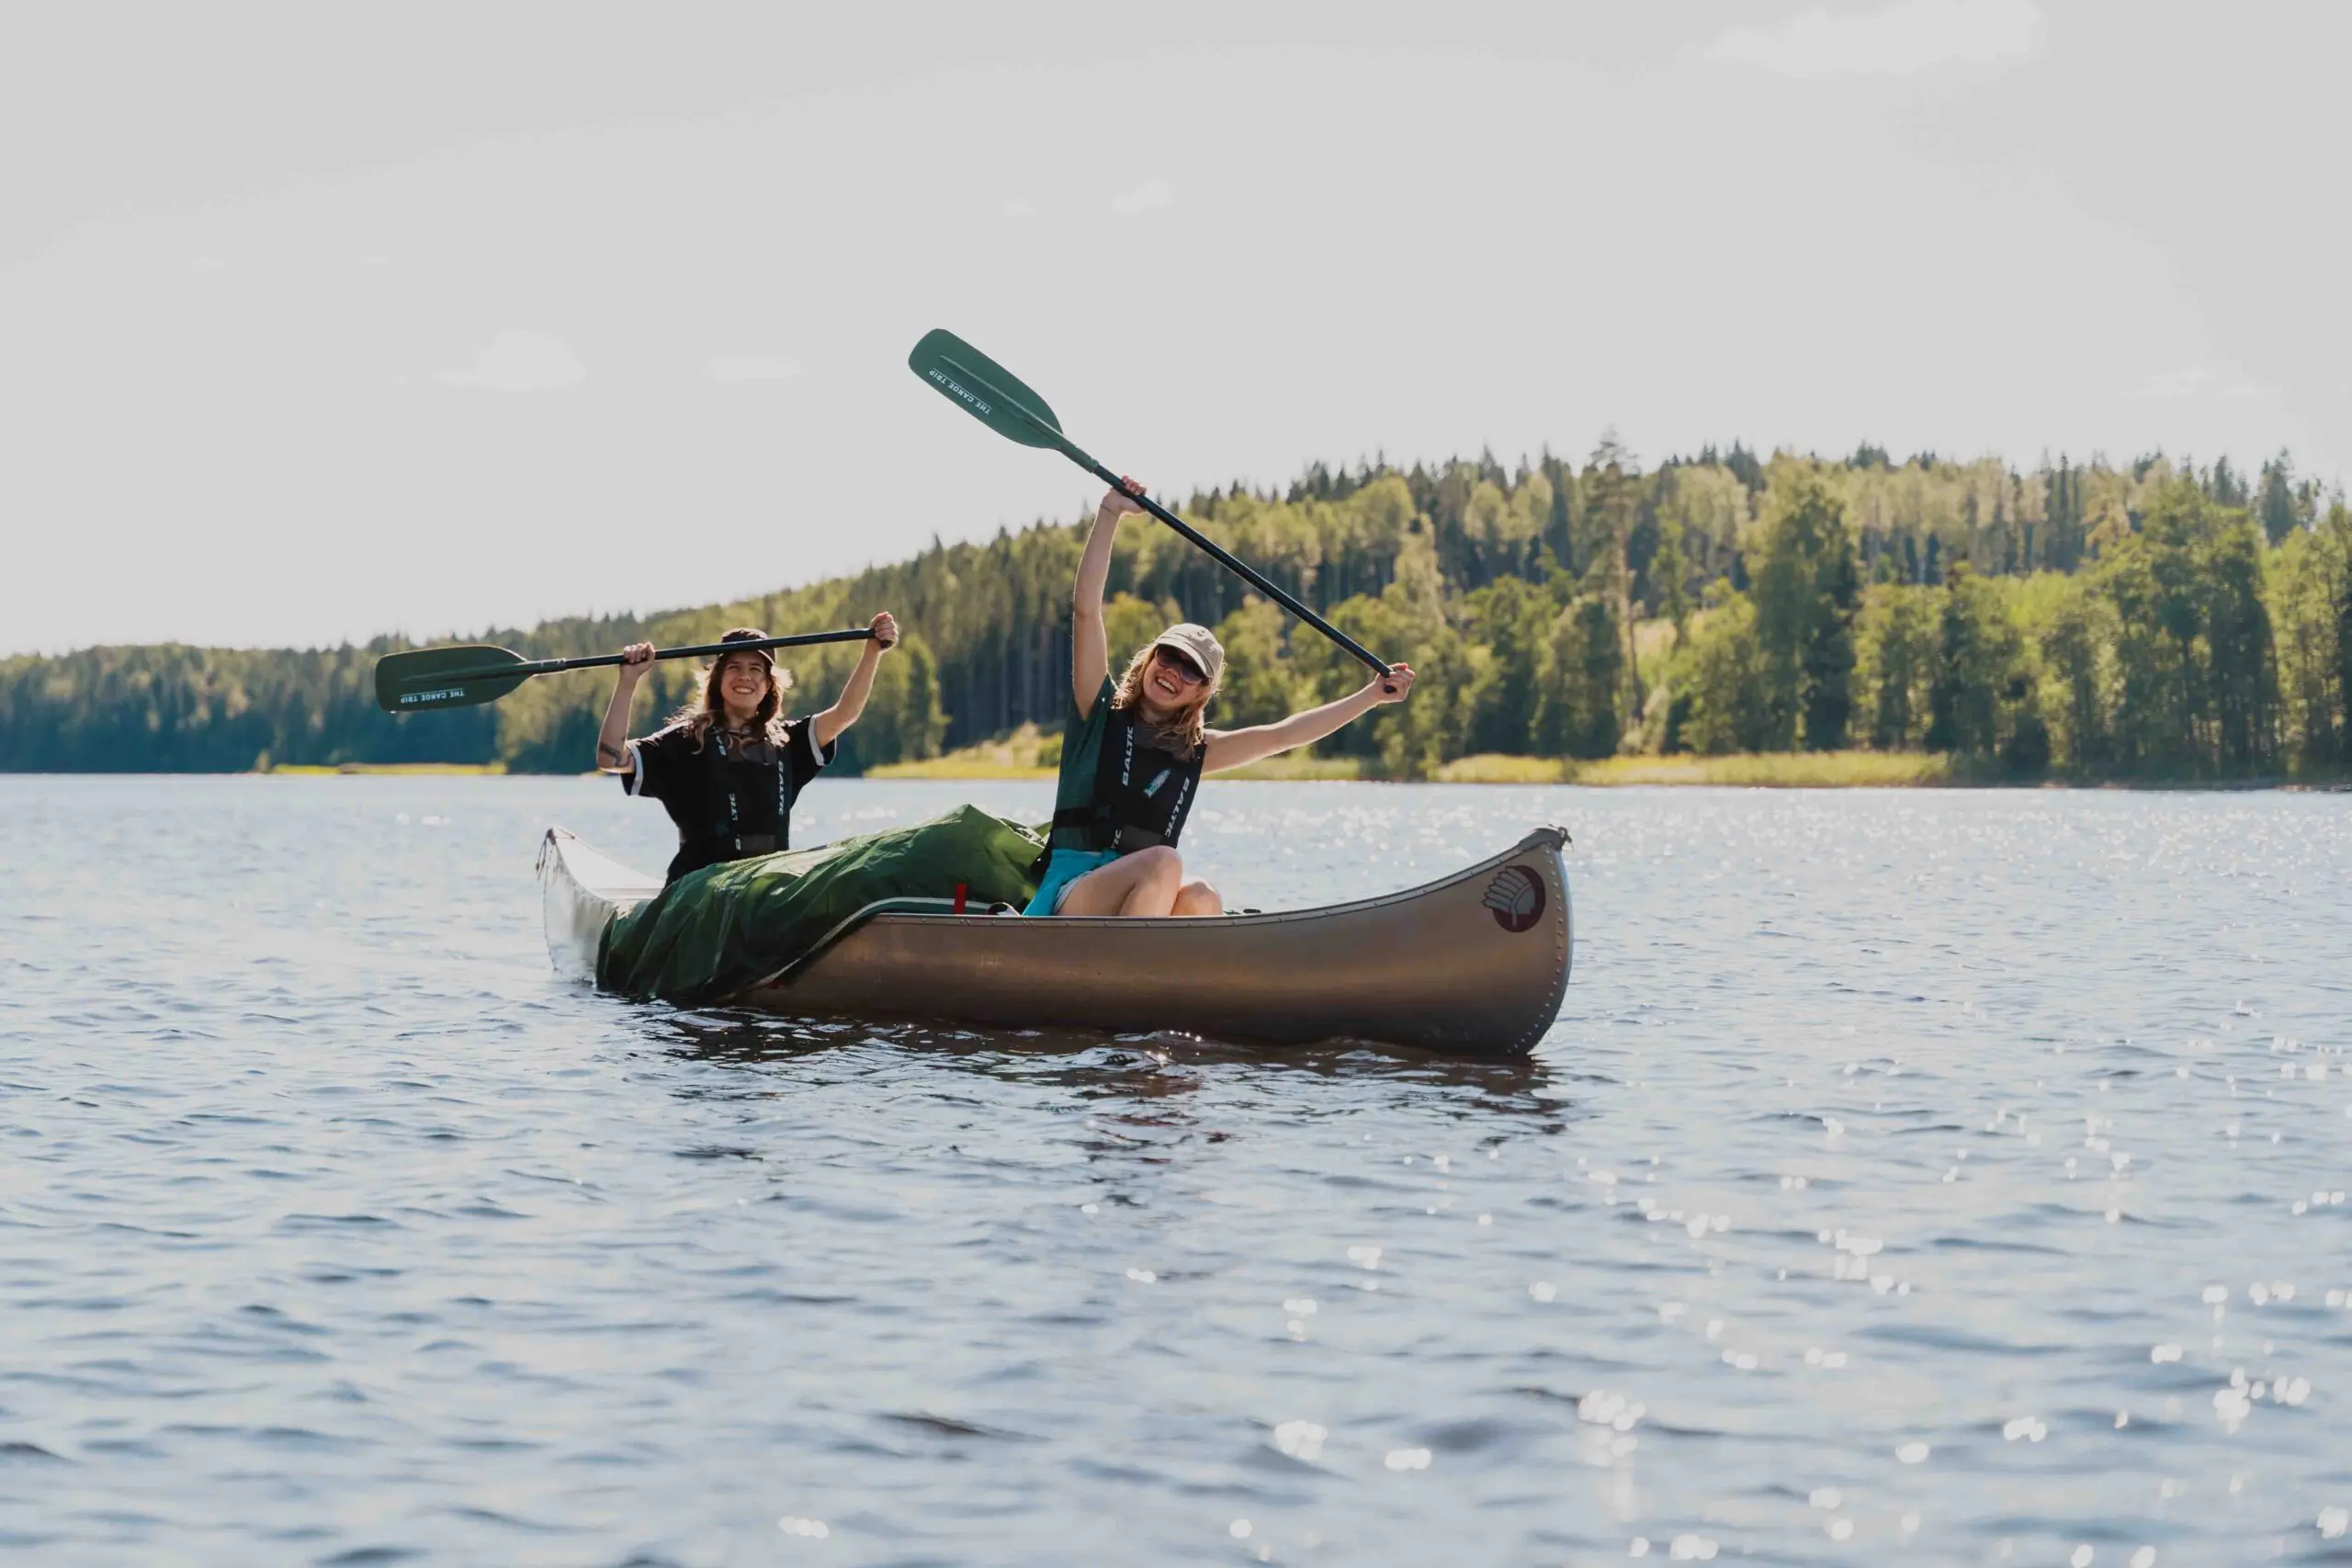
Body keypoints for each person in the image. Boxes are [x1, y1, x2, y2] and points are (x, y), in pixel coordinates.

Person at [1027, 480, 1415, 918]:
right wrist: (1110, 513)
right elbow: (1086, 612)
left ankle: (1165, 979)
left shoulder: (1196, 752)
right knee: (1165, 862)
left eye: (1190, 669)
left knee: (1202, 897)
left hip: (1141, 894)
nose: (1174, 671)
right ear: (1151, 659)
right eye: (1169, 656)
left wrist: (1370, 696)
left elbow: (1282, 735)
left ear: (1200, 693)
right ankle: (1131, 980)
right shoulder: (1096, 714)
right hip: (1073, 892)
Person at [596, 615, 899, 884]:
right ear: (718, 680)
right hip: (698, 897)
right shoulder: (686, 740)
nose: (745, 676)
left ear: (768, 685)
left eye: (756, 669)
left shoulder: (789, 742)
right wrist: (628, 682)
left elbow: (845, 713)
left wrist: (873, 651)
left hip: (764, 896)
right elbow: (610, 757)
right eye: (734, 667)